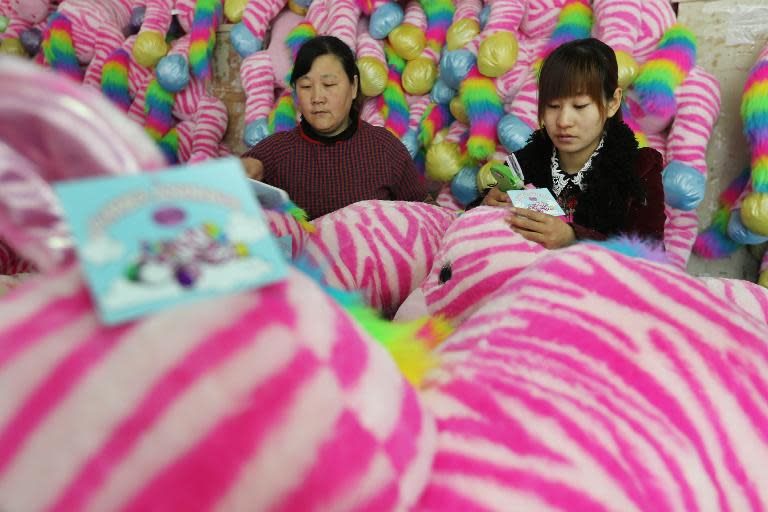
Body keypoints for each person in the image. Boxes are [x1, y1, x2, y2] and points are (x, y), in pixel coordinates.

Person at [475, 38, 666, 249]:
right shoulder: (522, 164)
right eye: (553, 105)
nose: (563, 121)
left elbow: (649, 256)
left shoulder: (640, 169)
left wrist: (573, 238)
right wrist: (485, 206)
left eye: (580, 106)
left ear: (612, 103)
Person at [241, 35, 429, 220]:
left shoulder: (384, 148)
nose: (317, 98)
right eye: (306, 86)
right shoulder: (273, 152)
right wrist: (243, 175)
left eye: (329, 84)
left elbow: (426, 214)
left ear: (354, 86)